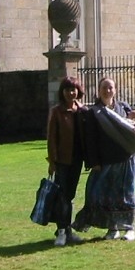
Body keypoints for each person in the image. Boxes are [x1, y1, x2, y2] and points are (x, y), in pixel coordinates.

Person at [73, 77, 135, 241]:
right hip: (107, 161)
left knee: (127, 194)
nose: (107, 90)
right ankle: (112, 228)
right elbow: (90, 139)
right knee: (107, 196)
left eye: (110, 87)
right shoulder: (94, 112)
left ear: (115, 90)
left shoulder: (123, 107)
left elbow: (134, 125)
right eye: (104, 87)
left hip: (127, 159)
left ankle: (129, 228)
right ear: (99, 90)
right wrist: (93, 162)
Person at [46, 76, 87, 246]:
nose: (71, 93)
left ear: (78, 91)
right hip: (62, 159)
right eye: (67, 89)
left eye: (73, 89)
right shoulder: (57, 111)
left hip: (77, 159)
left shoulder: (81, 110)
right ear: (62, 92)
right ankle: (62, 231)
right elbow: (51, 138)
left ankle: (66, 230)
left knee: (69, 195)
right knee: (62, 195)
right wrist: (52, 161)